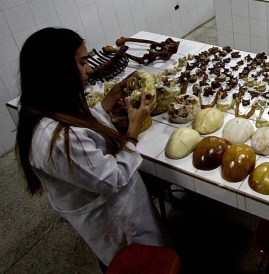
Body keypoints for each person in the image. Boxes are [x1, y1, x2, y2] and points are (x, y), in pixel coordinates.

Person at [15, 27, 167, 270]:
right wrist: (133, 130)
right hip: (117, 222)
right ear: (57, 71)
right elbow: (112, 178)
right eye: (82, 63)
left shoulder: (49, 108)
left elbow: (83, 130)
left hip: (112, 205)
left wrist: (106, 105)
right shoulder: (58, 140)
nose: (90, 69)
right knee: (140, 260)